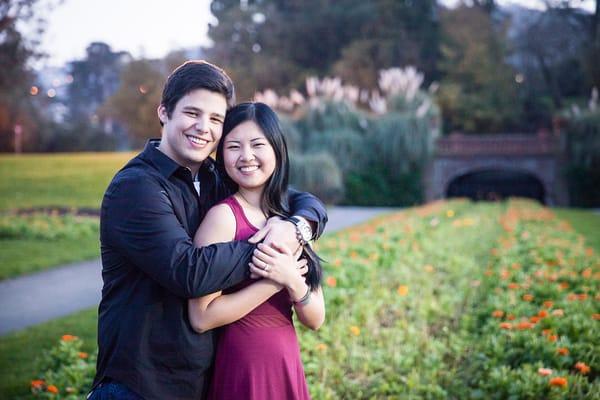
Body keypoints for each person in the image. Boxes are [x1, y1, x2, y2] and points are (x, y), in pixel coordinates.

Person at [89, 60, 327, 400]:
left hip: (199, 381)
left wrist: (297, 226)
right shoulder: (137, 187)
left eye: (215, 119)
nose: (203, 127)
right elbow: (188, 271)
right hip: (142, 383)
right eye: (192, 113)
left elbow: (301, 201)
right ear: (163, 112)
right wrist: (277, 261)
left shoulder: (215, 178)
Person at [187, 102, 325, 399]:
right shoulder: (222, 218)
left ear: (277, 148)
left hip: (286, 360)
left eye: (257, 145)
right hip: (243, 363)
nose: (246, 156)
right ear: (221, 154)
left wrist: (293, 280)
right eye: (234, 146)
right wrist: (275, 281)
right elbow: (201, 318)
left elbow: (315, 318)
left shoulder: (293, 223)